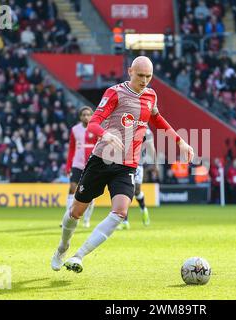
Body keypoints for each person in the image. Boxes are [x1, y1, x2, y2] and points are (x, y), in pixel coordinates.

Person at [51, 56, 195, 273]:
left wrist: (180, 140)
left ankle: (79, 256)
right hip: (101, 160)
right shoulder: (115, 92)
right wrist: (105, 135)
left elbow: (157, 119)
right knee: (75, 212)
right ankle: (63, 247)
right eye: (140, 75)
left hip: (128, 165)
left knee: (119, 212)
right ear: (130, 72)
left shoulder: (150, 95)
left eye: (149, 76)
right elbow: (94, 123)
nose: (145, 80)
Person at [117, 128, 156, 230]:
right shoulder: (125, 126)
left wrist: (155, 164)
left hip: (138, 164)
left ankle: (143, 209)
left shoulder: (146, 130)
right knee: (125, 191)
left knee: (137, 191)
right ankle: (125, 222)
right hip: (123, 163)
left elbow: (151, 148)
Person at [64, 106, 96, 228]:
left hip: (91, 165)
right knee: (72, 188)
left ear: (92, 116)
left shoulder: (96, 128)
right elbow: (71, 148)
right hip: (77, 164)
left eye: (88, 114)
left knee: (90, 193)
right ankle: (67, 217)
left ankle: (87, 219)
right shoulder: (75, 130)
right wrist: (68, 166)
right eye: (84, 115)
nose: (86, 117)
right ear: (80, 116)